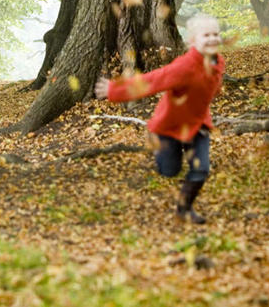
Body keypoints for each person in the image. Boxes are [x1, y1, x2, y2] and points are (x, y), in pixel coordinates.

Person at [94, 14, 224, 224]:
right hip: (169, 127)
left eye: (216, 34)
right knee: (169, 170)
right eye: (206, 35)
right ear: (192, 41)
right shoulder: (185, 66)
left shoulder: (218, 62)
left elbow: (212, 85)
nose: (212, 39)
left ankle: (184, 209)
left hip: (197, 124)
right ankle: (161, 152)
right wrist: (114, 89)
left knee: (201, 169)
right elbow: (153, 81)